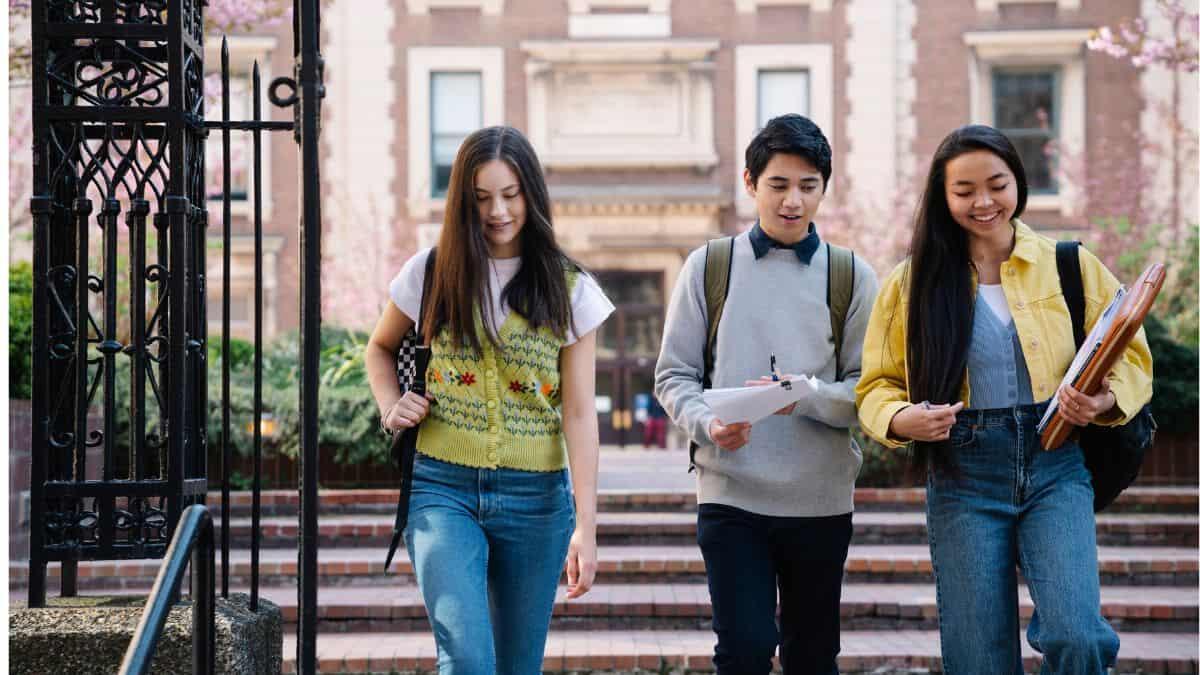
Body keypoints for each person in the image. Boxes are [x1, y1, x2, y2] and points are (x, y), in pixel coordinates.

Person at [855, 124, 1153, 674]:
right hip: (962, 475)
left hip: (1056, 466)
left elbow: (1133, 357)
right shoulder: (911, 283)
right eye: (963, 190)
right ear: (943, 199)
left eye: (996, 183)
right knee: (979, 662)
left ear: (1018, 181)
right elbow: (876, 386)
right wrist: (902, 419)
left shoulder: (1069, 263)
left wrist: (1105, 402)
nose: (983, 201)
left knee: (1078, 637)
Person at [365, 125, 614, 674]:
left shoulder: (570, 289)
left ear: (532, 193)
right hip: (442, 488)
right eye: (481, 199)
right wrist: (391, 406)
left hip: (538, 501)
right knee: (469, 660)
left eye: (511, 194)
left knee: (515, 666)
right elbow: (379, 350)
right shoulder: (431, 273)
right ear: (462, 202)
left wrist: (587, 525)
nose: (498, 211)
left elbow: (578, 414)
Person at [654, 113, 879, 674]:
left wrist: (802, 396)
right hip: (731, 493)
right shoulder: (709, 266)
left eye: (808, 186)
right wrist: (709, 423)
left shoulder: (850, 276)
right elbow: (674, 375)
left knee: (811, 656)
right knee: (745, 649)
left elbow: (868, 392)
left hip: (820, 500)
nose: (793, 202)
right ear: (751, 183)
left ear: (825, 187)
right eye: (778, 185)